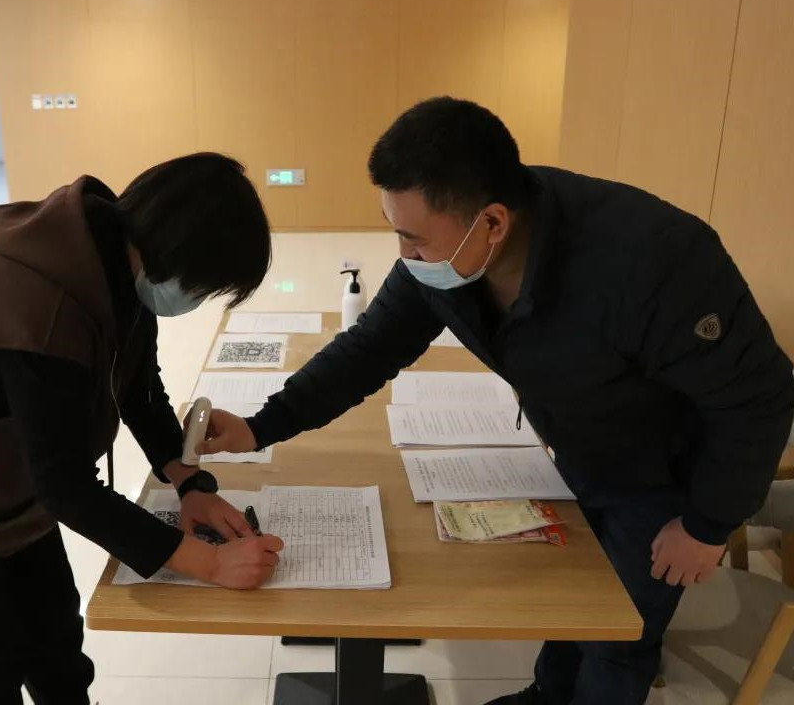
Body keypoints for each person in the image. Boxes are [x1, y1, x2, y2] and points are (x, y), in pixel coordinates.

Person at [194, 98, 794, 705]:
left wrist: (707, 523)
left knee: (618, 633)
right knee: (572, 602)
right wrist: (261, 425)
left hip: (666, 472)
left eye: (414, 238)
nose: (404, 255)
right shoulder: (450, 256)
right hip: (578, 445)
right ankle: (547, 694)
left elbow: (760, 398)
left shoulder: (655, 260)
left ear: (493, 223)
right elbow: (368, 350)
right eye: (395, 231)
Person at [0, 152, 285, 705]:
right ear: (177, 251)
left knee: (56, 650)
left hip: (2, 477)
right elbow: (66, 486)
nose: (198, 300)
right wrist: (209, 562)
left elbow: (139, 387)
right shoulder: (39, 304)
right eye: (205, 286)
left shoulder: (116, 267)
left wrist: (190, 484)